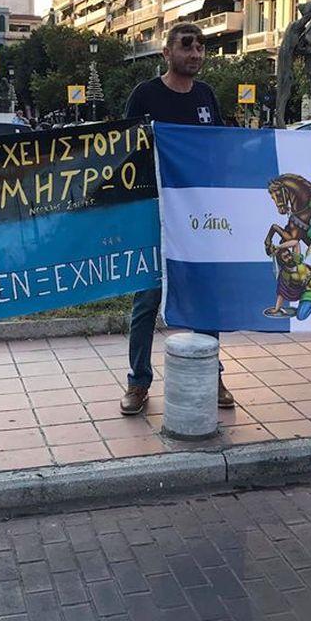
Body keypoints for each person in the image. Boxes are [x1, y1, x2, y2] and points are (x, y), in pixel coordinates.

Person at [120, 22, 233, 415]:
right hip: (154, 214)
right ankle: (138, 382)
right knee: (147, 299)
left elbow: (217, 148)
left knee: (206, 297)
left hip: (199, 216)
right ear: (166, 53)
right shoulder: (145, 95)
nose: (196, 54)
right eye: (187, 46)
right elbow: (125, 152)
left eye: (201, 47)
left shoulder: (206, 96)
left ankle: (211, 373)